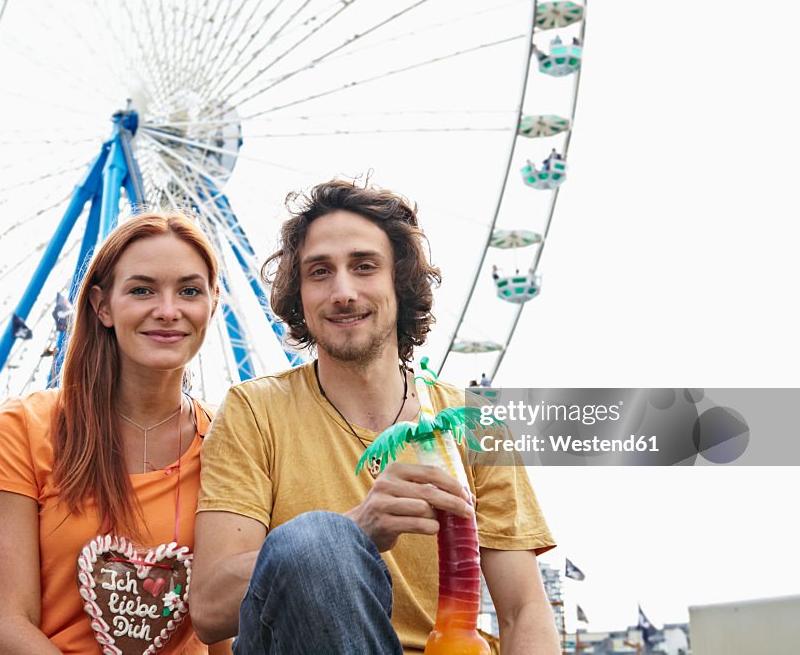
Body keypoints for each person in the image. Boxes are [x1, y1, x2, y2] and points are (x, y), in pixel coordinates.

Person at [191, 179, 558, 654]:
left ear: (399, 283)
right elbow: (209, 609)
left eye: (364, 267)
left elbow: (522, 610)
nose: (343, 292)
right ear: (298, 294)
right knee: (317, 539)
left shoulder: (473, 423)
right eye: (319, 272)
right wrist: (354, 532)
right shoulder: (253, 411)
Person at [0, 213, 231, 655]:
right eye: (142, 290)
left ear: (213, 303)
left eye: (189, 291)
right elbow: (6, 624)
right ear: (101, 305)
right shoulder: (22, 430)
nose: (168, 311)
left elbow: (219, 629)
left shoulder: (229, 442)